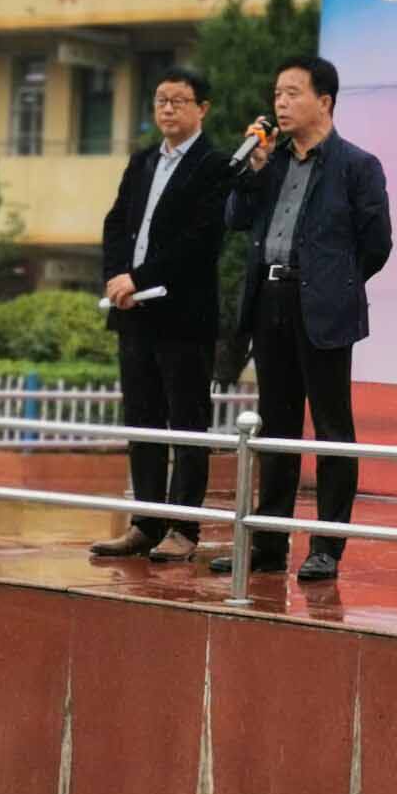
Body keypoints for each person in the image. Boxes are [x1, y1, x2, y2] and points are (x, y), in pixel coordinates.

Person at [212, 55, 392, 582]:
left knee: (331, 429)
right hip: (268, 303)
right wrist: (252, 171)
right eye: (277, 94)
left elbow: (377, 245)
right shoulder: (270, 163)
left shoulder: (356, 166)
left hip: (323, 308)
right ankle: (268, 544)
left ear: (325, 101)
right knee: (276, 428)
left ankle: (326, 548)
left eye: (293, 93)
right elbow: (235, 218)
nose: (281, 103)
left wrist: (334, 284)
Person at [91, 64, 231, 562]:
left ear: (202, 109)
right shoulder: (143, 161)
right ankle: (146, 522)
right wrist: (117, 278)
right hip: (133, 313)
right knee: (143, 420)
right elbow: (116, 224)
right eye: (160, 100)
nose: (167, 109)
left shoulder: (213, 166)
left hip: (183, 316)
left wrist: (141, 278)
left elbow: (200, 242)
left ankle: (183, 528)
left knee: (187, 423)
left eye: (178, 101)